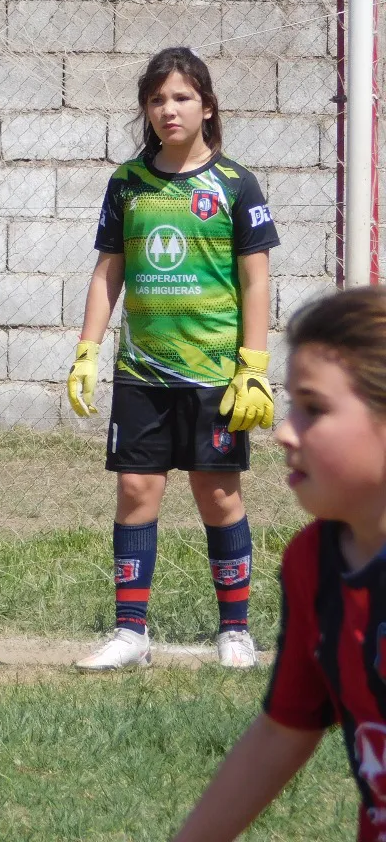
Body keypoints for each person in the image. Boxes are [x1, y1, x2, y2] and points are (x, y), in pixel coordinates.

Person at [68, 46, 279, 672]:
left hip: (215, 375)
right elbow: (108, 271)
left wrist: (254, 366)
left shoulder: (236, 184)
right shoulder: (127, 184)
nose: (170, 109)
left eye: (183, 97)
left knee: (218, 496)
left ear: (207, 106)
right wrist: (87, 351)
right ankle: (130, 632)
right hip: (142, 372)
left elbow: (256, 281)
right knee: (136, 489)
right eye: (157, 99)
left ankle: (235, 632)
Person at [171, 287, 386, 842]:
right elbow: (284, 731)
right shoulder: (314, 562)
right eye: (292, 405)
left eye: (315, 408)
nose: (285, 431)